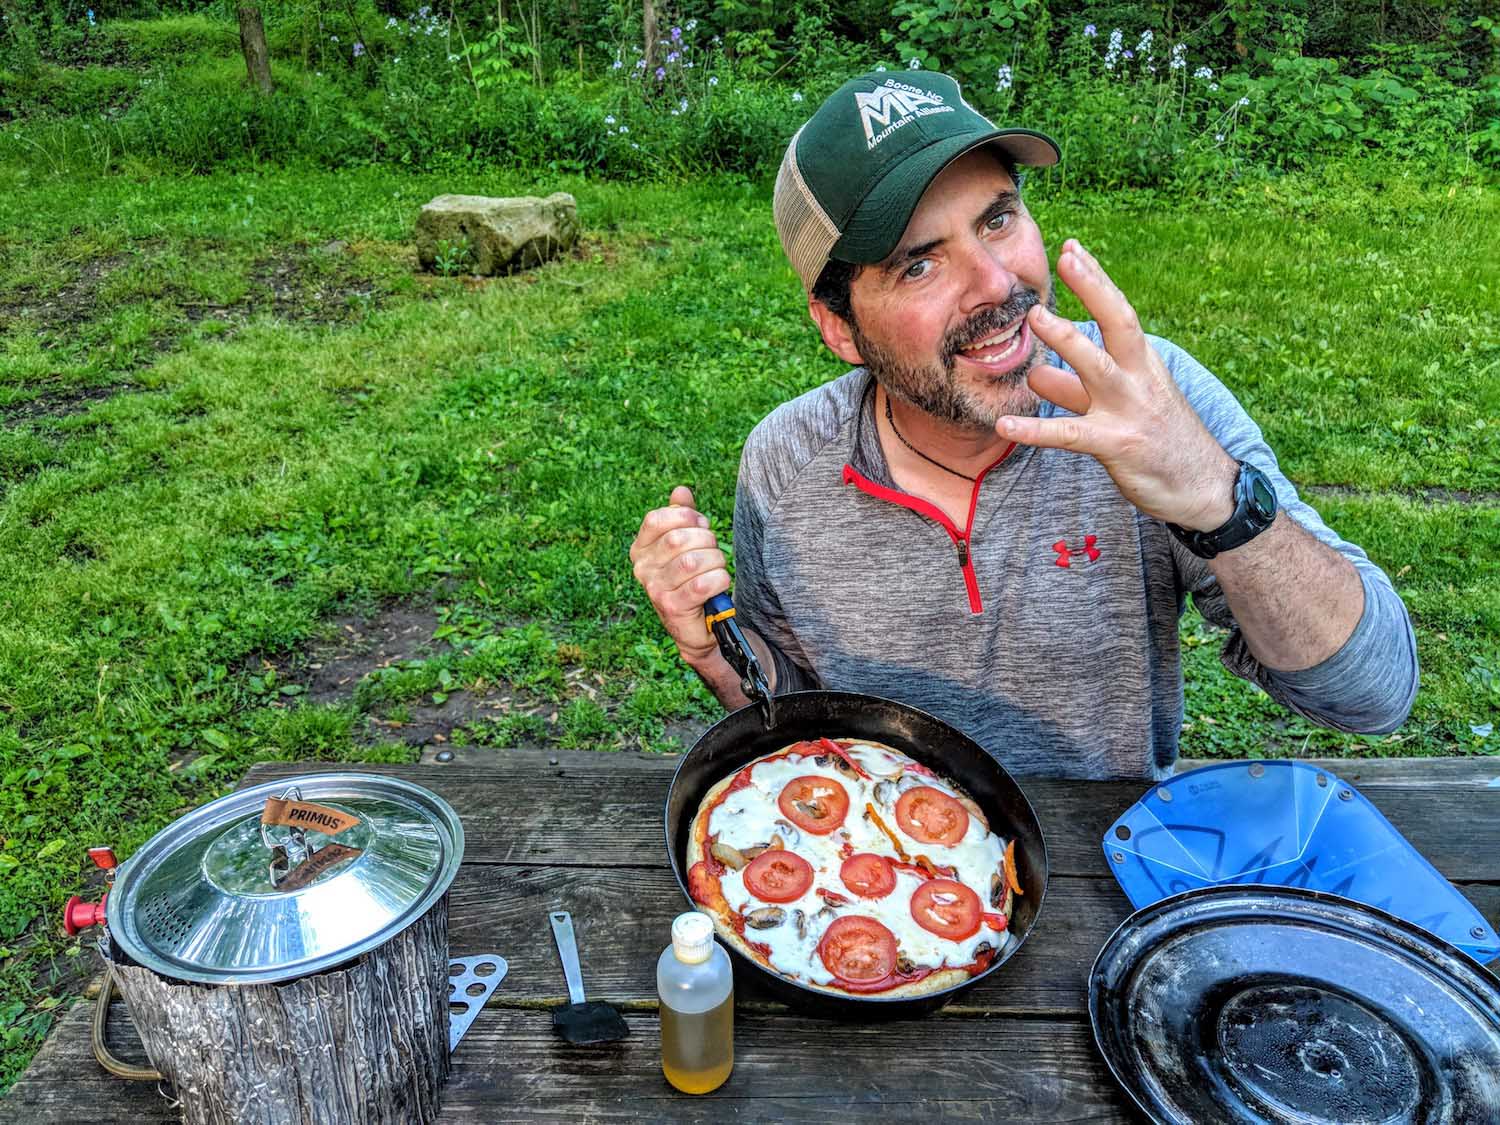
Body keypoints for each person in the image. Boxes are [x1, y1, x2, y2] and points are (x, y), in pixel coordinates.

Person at [629, 69, 1418, 780]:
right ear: (839, 327)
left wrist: (1216, 496)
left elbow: (1373, 696)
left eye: (999, 219)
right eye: (919, 263)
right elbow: (792, 716)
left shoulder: (1150, 401)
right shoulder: (786, 462)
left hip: (1108, 880)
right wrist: (713, 651)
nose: (997, 284)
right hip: (883, 884)